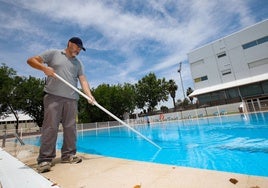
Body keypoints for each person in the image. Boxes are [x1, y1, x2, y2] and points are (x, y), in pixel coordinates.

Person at [27, 37, 95, 173]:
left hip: (71, 100)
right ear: (70, 44)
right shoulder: (54, 53)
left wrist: (89, 95)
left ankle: (68, 155)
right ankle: (45, 159)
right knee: (50, 127)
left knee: (70, 128)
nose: (79, 50)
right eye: (77, 47)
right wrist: (43, 68)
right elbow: (31, 60)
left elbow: (83, 80)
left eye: (81, 49)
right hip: (53, 97)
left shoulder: (78, 64)